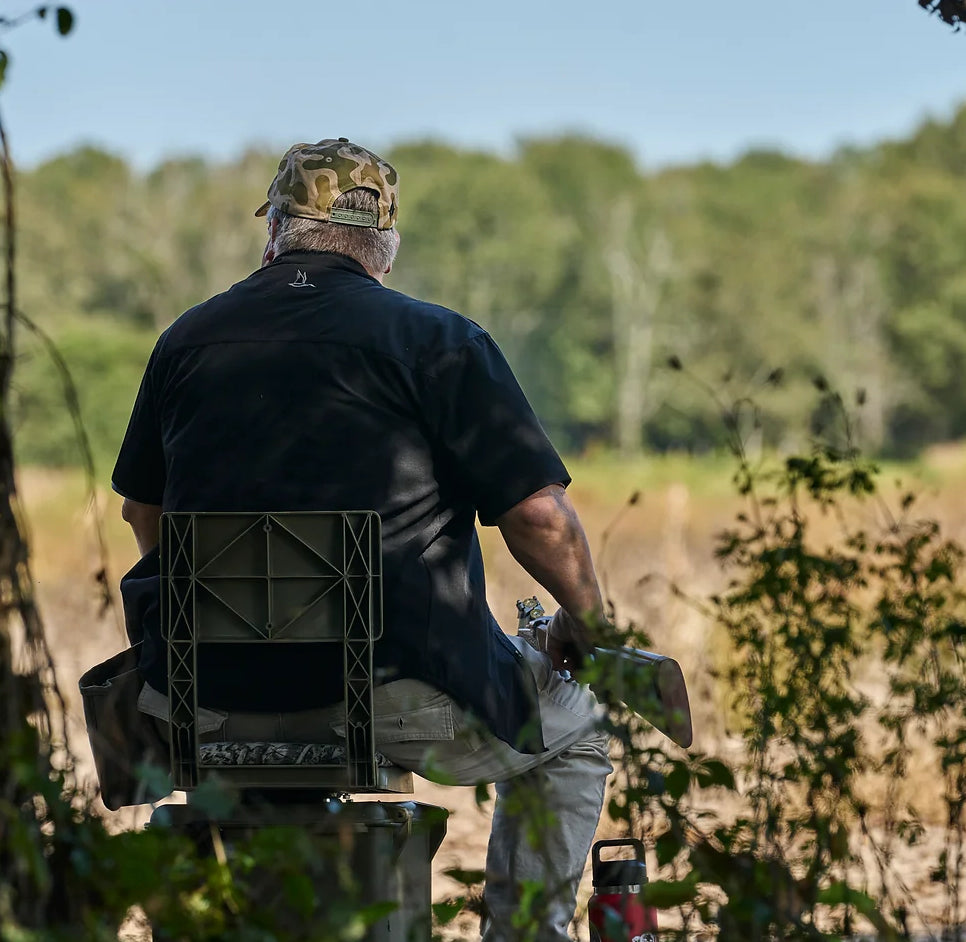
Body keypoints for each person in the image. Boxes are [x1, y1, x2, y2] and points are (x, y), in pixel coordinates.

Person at [112, 137, 612, 941]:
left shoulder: (185, 342)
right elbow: (540, 517)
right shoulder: (439, 341)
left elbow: (146, 515)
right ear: (385, 248)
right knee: (579, 727)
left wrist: (225, 620)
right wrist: (588, 622)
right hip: (400, 690)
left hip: (206, 694)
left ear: (275, 229)